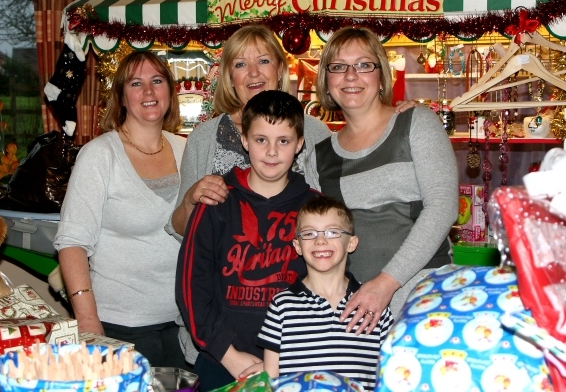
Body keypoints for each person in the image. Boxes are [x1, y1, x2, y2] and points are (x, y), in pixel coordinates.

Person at [309, 27, 459, 329]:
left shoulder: (416, 123)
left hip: (424, 299)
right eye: (338, 67)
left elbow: (443, 206)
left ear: (381, 76)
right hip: (357, 310)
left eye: (364, 65)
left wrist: (385, 284)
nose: (351, 76)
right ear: (327, 81)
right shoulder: (320, 155)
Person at [176, 90, 321, 391]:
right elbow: (192, 288)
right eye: (261, 139)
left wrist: (285, 358)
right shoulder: (215, 202)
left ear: (300, 145)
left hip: (293, 364)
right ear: (244, 140)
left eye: (284, 140)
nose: (272, 151)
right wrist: (229, 355)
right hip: (222, 362)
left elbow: (329, 291)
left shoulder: (315, 210)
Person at [54, 51, 189, 368]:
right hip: (120, 327)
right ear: (121, 97)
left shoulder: (188, 148)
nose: (148, 92)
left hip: (184, 325)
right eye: (136, 83)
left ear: (170, 91)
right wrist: (87, 320)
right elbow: (72, 243)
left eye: (157, 81)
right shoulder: (99, 155)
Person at [168, 25, 331, 239]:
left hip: (298, 267)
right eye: (241, 64)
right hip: (227, 268)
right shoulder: (203, 139)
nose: (254, 72)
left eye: (263, 61)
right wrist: (191, 200)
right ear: (229, 76)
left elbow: (335, 214)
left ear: (280, 69)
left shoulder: (314, 132)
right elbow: (181, 229)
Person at [252, 196, 394, 391]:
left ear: (351, 243)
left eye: (332, 232)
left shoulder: (375, 304)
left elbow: (392, 373)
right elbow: (270, 378)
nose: (320, 240)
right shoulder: (283, 305)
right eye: (309, 233)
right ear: (297, 246)